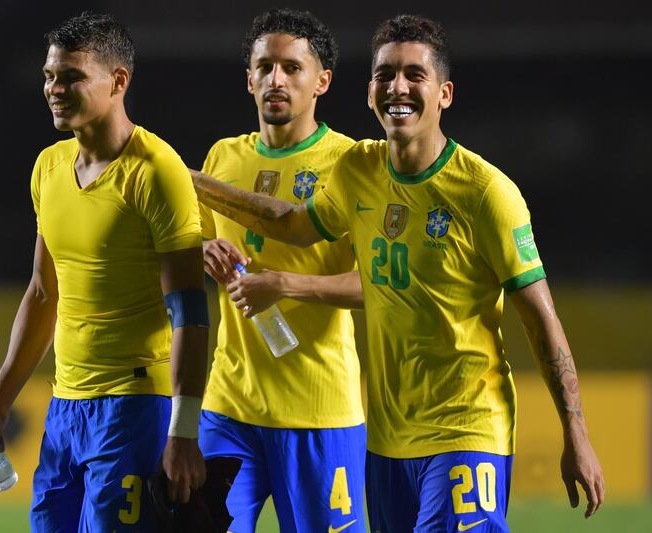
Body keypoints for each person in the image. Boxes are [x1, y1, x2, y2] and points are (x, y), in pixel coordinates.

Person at [190, 14, 605, 532]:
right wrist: (190, 185)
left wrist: (577, 432)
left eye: (414, 75)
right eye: (385, 75)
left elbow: (541, 317)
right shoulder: (359, 172)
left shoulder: (486, 193)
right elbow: (291, 224)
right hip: (384, 439)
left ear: (445, 94)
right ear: (369, 93)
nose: (398, 88)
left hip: (462, 427)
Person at [0, 12, 208, 532]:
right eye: (50, 76)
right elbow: (42, 293)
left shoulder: (156, 171)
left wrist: (183, 433)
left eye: (71, 76)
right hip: (65, 407)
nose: (54, 88)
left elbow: (189, 310)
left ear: (119, 81)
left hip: (135, 406)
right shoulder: (48, 167)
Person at [197, 9, 367, 533]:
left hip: (318, 413)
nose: (276, 79)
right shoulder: (222, 158)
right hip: (229, 406)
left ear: (322, 81)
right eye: (264, 66)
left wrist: (285, 284)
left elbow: (376, 283)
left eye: (292, 68)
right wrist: (202, 251)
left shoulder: (353, 164)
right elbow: (191, 246)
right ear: (249, 79)